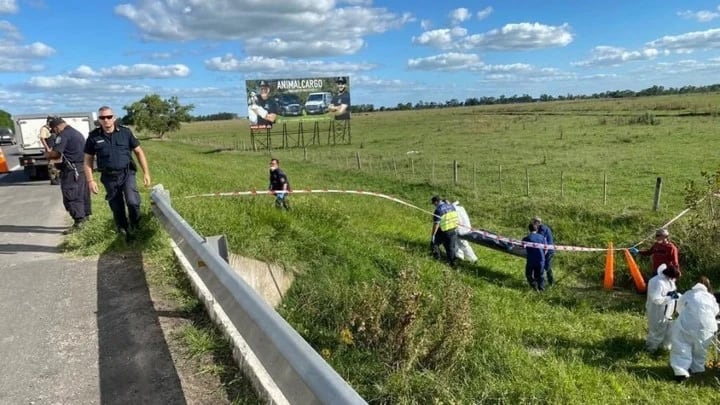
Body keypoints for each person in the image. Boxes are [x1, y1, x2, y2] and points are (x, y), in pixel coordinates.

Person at [83, 106, 151, 242]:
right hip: (109, 177)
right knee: (117, 206)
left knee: (132, 201)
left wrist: (146, 173)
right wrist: (90, 181)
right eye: (102, 118)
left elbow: (139, 152)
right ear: (99, 120)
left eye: (109, 117)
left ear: (114, 118)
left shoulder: (125, 133)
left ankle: (136, 226)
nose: (106, 120)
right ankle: (124, 230)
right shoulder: (94, 136)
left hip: (127, 173)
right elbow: (87, 160)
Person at [44, 116, 91, 234]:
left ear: (57, 127)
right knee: (82, 194)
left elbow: (56, 154)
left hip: (71, 170)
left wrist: (47, 154)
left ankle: (79, 222)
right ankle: (85, 219)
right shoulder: (76, 133)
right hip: (81, 168)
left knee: (72, 194)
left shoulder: (63, 135)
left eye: (53, 130)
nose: (53, 132)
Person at [669, 276, 720, 382]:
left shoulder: (689, 294)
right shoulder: (710, 297)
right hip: (706, 327)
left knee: (681, 345)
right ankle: (697, 369)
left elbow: (679, 308)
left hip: (686, 325)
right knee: (700, 349)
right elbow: (715, 311)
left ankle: (681, 371)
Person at [645, 263, 681, 353]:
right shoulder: (658, 282)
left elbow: (671, 290)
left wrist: (678, 296)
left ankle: (664, 346)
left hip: (667, 310)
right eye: (673, 277)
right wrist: (669, 297)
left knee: (668, 328)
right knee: (657, 329)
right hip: (657, 310)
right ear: (669, 274)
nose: (674, 279)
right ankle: (651, 349)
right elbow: (656, 299)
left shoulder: (669, 280)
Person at [430, 195, 459, 267]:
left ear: (436, 202)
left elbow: (436, 224)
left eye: (434, 204)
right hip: (453, 229)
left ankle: (436, 260)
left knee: (434, 244)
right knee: (451, 248)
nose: (434, 205)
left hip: (444, 231)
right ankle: (453, 264)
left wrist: (433, 235)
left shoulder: (438, 210)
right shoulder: (451, 206)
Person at [522, 222, 547, 291]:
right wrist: (543, 255)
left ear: (529, 229)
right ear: (537, 229)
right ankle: (541, 289)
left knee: (528, 274)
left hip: (531, 260)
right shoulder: (542, 238)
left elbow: (522, 247)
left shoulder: (526, 238)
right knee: (540, 275)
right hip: (541, 259)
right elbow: (546, 248)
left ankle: (534, 285)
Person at [532, 216, 555, 285]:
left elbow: (539, 238)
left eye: (534, 223)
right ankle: (542, 281)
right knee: (543, 266)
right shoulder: (541, 228)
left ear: (538, 223)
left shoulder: (542, 228)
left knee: (547, 267)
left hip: (549, 251)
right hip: (545, 250)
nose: (533, 224)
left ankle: (551, 282)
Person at [39, 116, 61, 185]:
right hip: (50, 149)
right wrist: (47, 148)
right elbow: (42, 139)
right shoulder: (44, 129)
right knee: (51, 165)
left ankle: (58, 178)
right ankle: (53, 179)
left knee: (57, 164)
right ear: (48, 121)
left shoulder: (52, 128)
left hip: (55, 149)